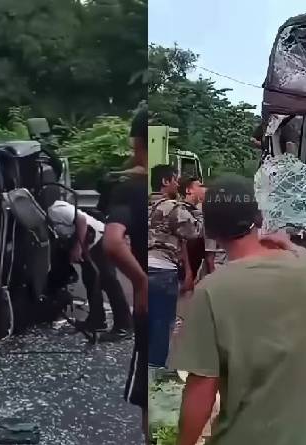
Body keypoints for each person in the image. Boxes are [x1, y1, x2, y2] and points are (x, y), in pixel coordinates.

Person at [168, 174, 306, 445]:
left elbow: (202, 390)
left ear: (211, 231)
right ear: (258, 219)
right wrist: (285, 243)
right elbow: (303, 255)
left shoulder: (211, 291)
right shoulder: (302, 269)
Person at [102, 107, 149, 442]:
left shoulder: (128, 188)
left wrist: (140, 281)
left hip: (149, 298)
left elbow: (113, 242)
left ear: (136, 142)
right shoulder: (165, 189)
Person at [42, 193, 132, 337]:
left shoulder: (56, 209)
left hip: (100, 239)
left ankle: (124, 325)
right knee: (91, 281)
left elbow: (81, 220)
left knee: (108, 280)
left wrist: (78, 248)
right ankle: (97, 320)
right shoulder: (46, 215)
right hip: (89, 243)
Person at [148, 164, 201, 369]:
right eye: (175, 180)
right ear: (165, 181)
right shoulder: (172, 207)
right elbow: (194, 232)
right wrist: (196, 208)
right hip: (163, 270)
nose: (177, 184)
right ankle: (156, 369)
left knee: (147, 320)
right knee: (162, 324)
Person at [178, 176, 212, 288]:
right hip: (182, 272)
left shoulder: (194, 211)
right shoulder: (181, 211)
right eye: (199, 186)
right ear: (188, 190)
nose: (203, 189)